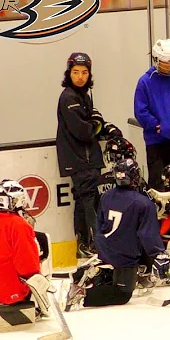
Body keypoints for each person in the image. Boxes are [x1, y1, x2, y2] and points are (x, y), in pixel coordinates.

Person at [64, 159, 170, 311]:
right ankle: (83, 294)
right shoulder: (143, 203)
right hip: (123, 255)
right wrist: (159, 254)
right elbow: (148, 235)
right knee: (122, 294)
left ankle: (100, 273)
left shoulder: (106, 196)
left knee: (131, 241)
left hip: (104, 248)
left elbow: (100, 223)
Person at [56, 52, 122, 258]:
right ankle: (96, 245)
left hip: (85, 159)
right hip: (80, 160)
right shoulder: (69, 97)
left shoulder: (83, 96)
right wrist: (97, 123)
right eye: (76, 72)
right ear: (69, 73)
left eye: (84, 72)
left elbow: (91, 124)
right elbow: (84, 131)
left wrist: (106, 128)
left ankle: (84, 244)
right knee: (90, 201)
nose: (80, 76)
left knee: (85, 201)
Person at [0, 180, 55, 319]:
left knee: (41, 240)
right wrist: (36, 277)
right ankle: (36, 304)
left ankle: (15, 299)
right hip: (4, 272)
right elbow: (26, 263)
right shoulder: (19, 225)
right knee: (39, 268)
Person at [134, 39, 170, 190]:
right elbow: (141, 111)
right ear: (156, 60)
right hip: (155, 141)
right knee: (157, 183)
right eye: (167, 62)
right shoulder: (145, 82)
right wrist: (157, 126)